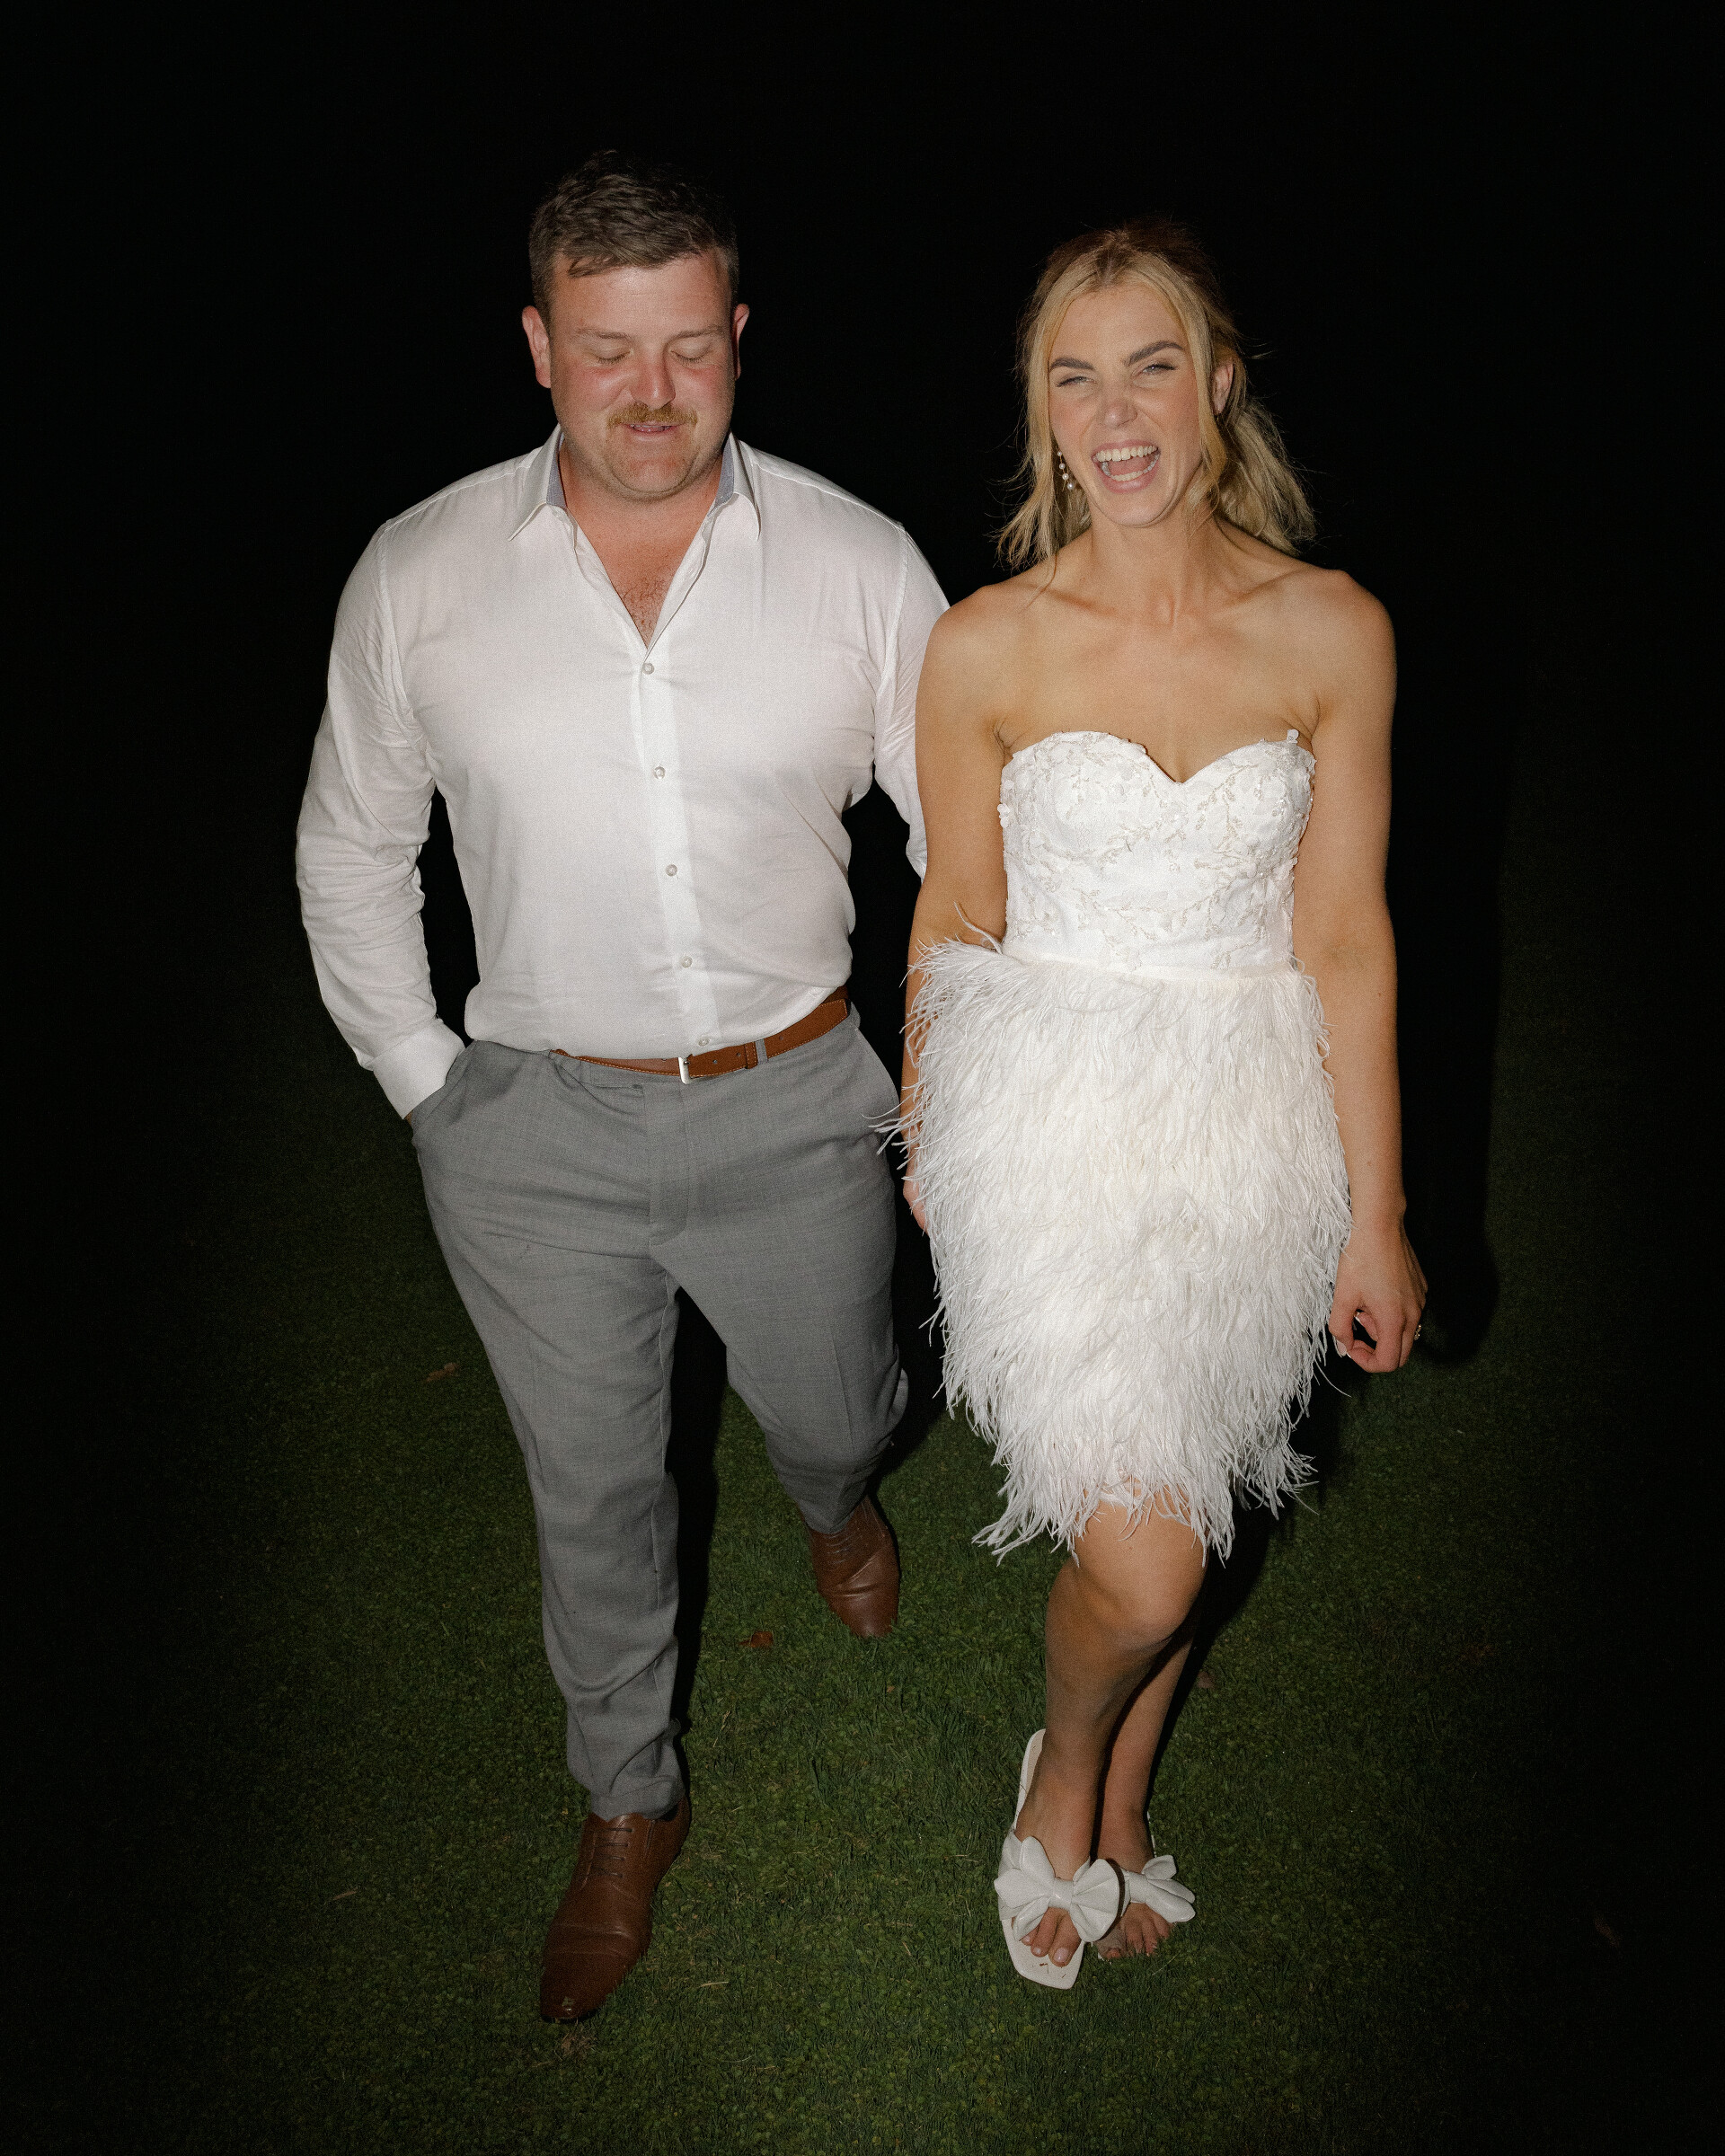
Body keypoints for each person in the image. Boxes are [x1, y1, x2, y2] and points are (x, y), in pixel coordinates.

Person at [296, 152, 945, 2020]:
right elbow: (350, 847)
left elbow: (965, 847)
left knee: (838, 1407)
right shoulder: (419, 574)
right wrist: (430, 1083)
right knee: (590, 1494)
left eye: (686, 347)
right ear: (536, 347)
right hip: (533, 1130)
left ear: (738, 335)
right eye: (604, 350)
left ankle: (837, 1499)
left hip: (796, 1102)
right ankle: (625, 1797)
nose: (649, 394)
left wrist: (944, 1072)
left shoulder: (859, 565)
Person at [901, 218, 1426, 1988]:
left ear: (1218, 385)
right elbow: (953, 909)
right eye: (1076, 378)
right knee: (1139, 1564)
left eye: (1150, 368)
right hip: (1047, 1125)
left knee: (1194, 1498)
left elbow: (1345, 935)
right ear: (1041, 412)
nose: (1115, 415)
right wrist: (928, 1129)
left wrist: (1376, 1212)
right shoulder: (986, 644)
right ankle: (1063, 1772)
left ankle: (1125, 1791)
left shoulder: (1334, 630)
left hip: (1255, 1128)